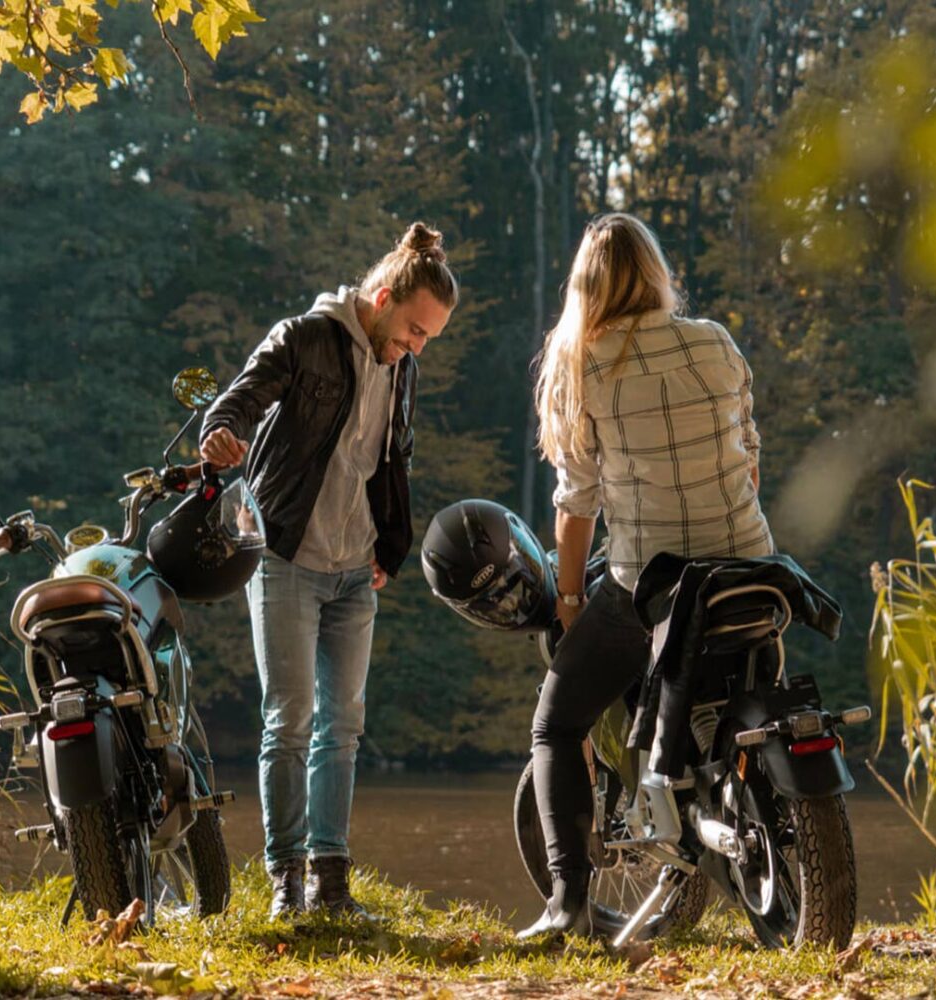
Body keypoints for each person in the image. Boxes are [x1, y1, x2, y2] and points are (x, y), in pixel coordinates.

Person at [518, 212, 773, 939]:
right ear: (658, 275)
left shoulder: (584, 362)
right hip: (751, 567)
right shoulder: (716, 342)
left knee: (555, 722)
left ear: (585, 288)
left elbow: (577, 504)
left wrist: (570, 601)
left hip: (653, 583)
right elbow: (749, 458)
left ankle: (566, 904)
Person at [199, 222, 458, 919]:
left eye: (428, 337)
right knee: (289, 720)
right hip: (286, 558)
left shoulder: (400, 365)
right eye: (413, 329)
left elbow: (391, 460)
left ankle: (332, 884)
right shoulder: (304, 337)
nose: (417, 346)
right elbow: (239, 400)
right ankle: (285, 882)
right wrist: (220, 435)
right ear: (380, 299)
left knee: (341, 726)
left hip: (353, 571)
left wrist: (390, 546)